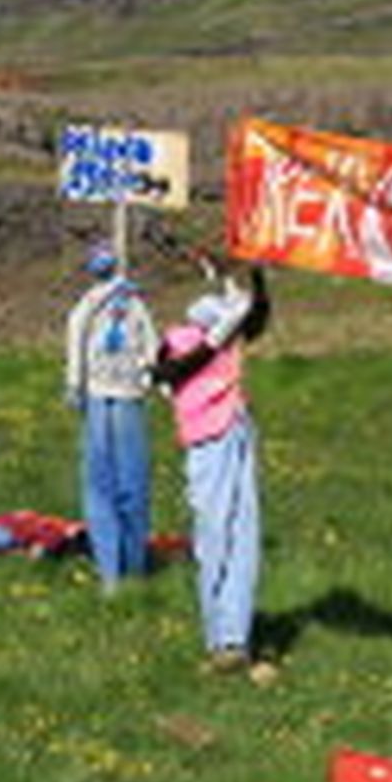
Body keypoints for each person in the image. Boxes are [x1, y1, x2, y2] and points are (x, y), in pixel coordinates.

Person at [151, 266, 270, 673]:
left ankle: (236, 639)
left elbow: (258, 317)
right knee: (214, 536)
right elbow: (171, 372)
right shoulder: (175, 345)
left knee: (244, 535)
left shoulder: (226, 340)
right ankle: (218, 636)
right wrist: (220, 333)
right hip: (206, 445)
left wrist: (257, 276)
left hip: (237, 433)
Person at [64, 243, 159, 592]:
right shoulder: (88, 306)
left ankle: (131, 564)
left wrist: (150, 376)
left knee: (127, 483)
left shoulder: (134, 304)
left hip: (126, 395)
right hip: (98, 395)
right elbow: (76, 341)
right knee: (102, 482)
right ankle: (111, 569)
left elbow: (149, 344)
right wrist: (76, 384)